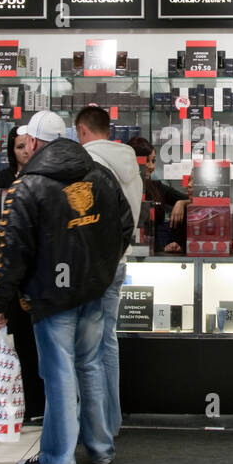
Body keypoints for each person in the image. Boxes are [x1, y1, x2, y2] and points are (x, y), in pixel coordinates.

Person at [0, 110, 133, 464]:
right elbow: (125, 224)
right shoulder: (99, 174)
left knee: (59, 372)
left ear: (34, 142)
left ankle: (57, 457)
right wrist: (100, 269)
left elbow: (12, 252)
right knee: (90, 364)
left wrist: (0, 302)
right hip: (92, 291)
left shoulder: (28, 186)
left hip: (51, 297)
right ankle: (100, 447)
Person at [74, 106, 143, 438]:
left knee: (87, 350)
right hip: (119, 261)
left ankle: (95, 426)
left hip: (94, 264)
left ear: (83, 130)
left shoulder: (88, 163)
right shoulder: (131, 164)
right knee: (108, 342)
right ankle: (111, 421)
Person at [0, 127, 41, 420]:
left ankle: (38, 405)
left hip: (37, 276)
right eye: (19, 147)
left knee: (35, 344)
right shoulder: (0, 181)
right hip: (10, 273)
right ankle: (16, 404)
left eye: (28, 145)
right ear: (12, 151)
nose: (26, 151)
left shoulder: (43, 180)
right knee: (14, 342)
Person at [127, 137, 189, 250]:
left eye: (153, 161)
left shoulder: (157, 187)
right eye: (146, 161)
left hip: (154, 256)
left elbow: (198, 200)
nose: (151, 167)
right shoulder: (121, 187)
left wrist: (182, 203)